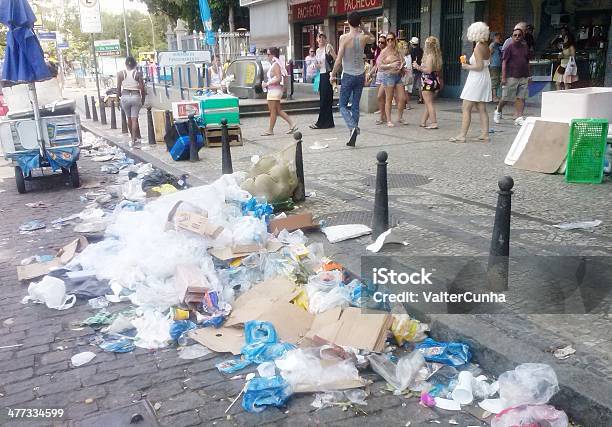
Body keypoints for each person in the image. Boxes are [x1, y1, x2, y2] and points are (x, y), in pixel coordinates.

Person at [331, 12, 375, 147]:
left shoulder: (344, 38)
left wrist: (332, 74)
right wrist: (363, 27)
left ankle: (352, 127)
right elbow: (373, 38)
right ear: (359, 22)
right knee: (355, 105)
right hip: (360, 74)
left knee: (342, 105)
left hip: (348, 74)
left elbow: (338, 60)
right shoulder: (363, 38)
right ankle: (352, 133)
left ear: (348, 22)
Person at [450, 22, 492, 143]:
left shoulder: (478, 47)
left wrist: (466, 66)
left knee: (466, 107)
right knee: (481, 107)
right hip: (484, 76)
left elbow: (478, 66)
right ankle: (485, 134)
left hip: (476, 78)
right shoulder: (486, 46)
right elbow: (483, 64)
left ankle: (462, 135)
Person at [494, 27, 530, 126]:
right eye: (515, 35)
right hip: (511, 76)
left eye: (519, 35)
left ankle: (519, 117)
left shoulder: (525, 47)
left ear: (522, 36)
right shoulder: (509, 47)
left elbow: (527, 62)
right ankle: (498, 110)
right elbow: (504, 62)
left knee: (521, 97)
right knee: (505, 98)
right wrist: (503, 77)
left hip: (523, 76)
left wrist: (529, 75)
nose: (517, 37)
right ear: (512, 37)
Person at [261, 47, 297, 136]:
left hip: (274, 90)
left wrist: (267, 83)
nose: (267, 56)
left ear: (273, 55)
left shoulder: (276, 64)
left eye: (268, 54)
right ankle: (292, 124)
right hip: (274, 90)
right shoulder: (276, 64)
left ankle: (270, 129)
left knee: (273, 110)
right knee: (277, 110)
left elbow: (278, 77)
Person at [413, 36, 442, 129]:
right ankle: (423, 121)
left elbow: (428, 70)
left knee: (429, 103)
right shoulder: (437, 56)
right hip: (434, 80)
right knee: (428, 102)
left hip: (428, 81)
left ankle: (434, 123)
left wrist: (417, 66)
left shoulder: (429, 56)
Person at [377, 33, 406, 127]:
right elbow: (379, 65)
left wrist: (402, 66)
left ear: (395, 40)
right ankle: (388, 119)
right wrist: (390, 65)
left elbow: (402, 60)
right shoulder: (384, 52)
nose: (390, 41)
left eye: (391, 39)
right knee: (388, 99)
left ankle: (400, 117)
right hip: (388, 76)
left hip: (397, 76)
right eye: (388, 40)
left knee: (402, 98)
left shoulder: (397, 50)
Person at [117, 56, 145, 148]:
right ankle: (134, 138)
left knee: (129, 118)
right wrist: (143, 99)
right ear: (135, 64)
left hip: (124, 96)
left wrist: (117, 100)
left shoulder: (121, 74)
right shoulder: (138, 74)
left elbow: (118, 88)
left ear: (125, 64)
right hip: (135, 96)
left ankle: (132, 138)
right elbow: (142, 88)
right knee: (134, 119)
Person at [310, 33, 336, 129]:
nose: (321, 39)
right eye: (319, 38)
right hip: (320, 74)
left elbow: (336, 58)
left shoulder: (328, 47)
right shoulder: (317, 50)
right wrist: (316, 65)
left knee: (326, 99)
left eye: (323, 37)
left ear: (325, 39)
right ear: (317, 40)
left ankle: (321, 122)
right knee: (323, 98)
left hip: (327, 74)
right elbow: (317, 63)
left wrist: (333, 72)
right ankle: (328, 122)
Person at [398, 40, 413, 112]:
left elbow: (405, 67)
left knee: (405, 90)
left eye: (406, 48)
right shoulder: (408, 56)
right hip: (407, 75)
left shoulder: (406, 57)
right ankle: (405, 104)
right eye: (404, 48)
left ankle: (406, 104)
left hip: (404, 75)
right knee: (406, 90)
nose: (406, 49)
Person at [489, 32, 503, 102]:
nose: (499, 39)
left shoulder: (500, 45)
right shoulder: (492, 45)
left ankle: (497, 95)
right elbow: (489, 54)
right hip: (494, 65)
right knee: (494, 80)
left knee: (499, 80)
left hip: (500, 65)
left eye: (500, 38)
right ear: (494, 38)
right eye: (497, 38)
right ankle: (494, 96)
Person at [410, 37, 424, 104]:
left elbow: (411, 60)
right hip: (420, 68)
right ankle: (421, 98)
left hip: (414, 68)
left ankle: (407, 98)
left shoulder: (412, 51)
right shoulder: (421, 50)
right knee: (420, 84)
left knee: (410, 84)